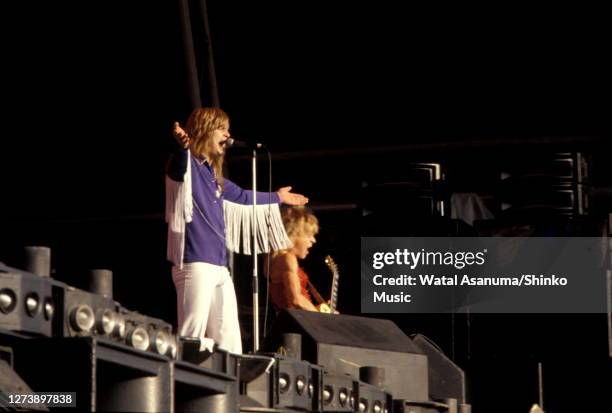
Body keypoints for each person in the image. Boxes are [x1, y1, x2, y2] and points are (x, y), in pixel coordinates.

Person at [165, 107, 308, 354]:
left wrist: (277, 197)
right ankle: (180, 387)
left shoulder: (214, 176)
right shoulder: (186, 164)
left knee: (230, 340)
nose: (228, 135)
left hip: (220, 266)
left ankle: (231, 388)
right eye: (222, 129)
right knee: (191, 335)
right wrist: (183, 148)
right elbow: (178, 167)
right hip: (195, 262)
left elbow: (242, 196)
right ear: (204, 130)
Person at [268, 206, 331, 312]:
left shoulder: (274, 258)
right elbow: (296, 299)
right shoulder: (287, 259)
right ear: (293, 235)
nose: (313, 240)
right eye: (309, 235)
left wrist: (317, 309)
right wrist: (323, 319)